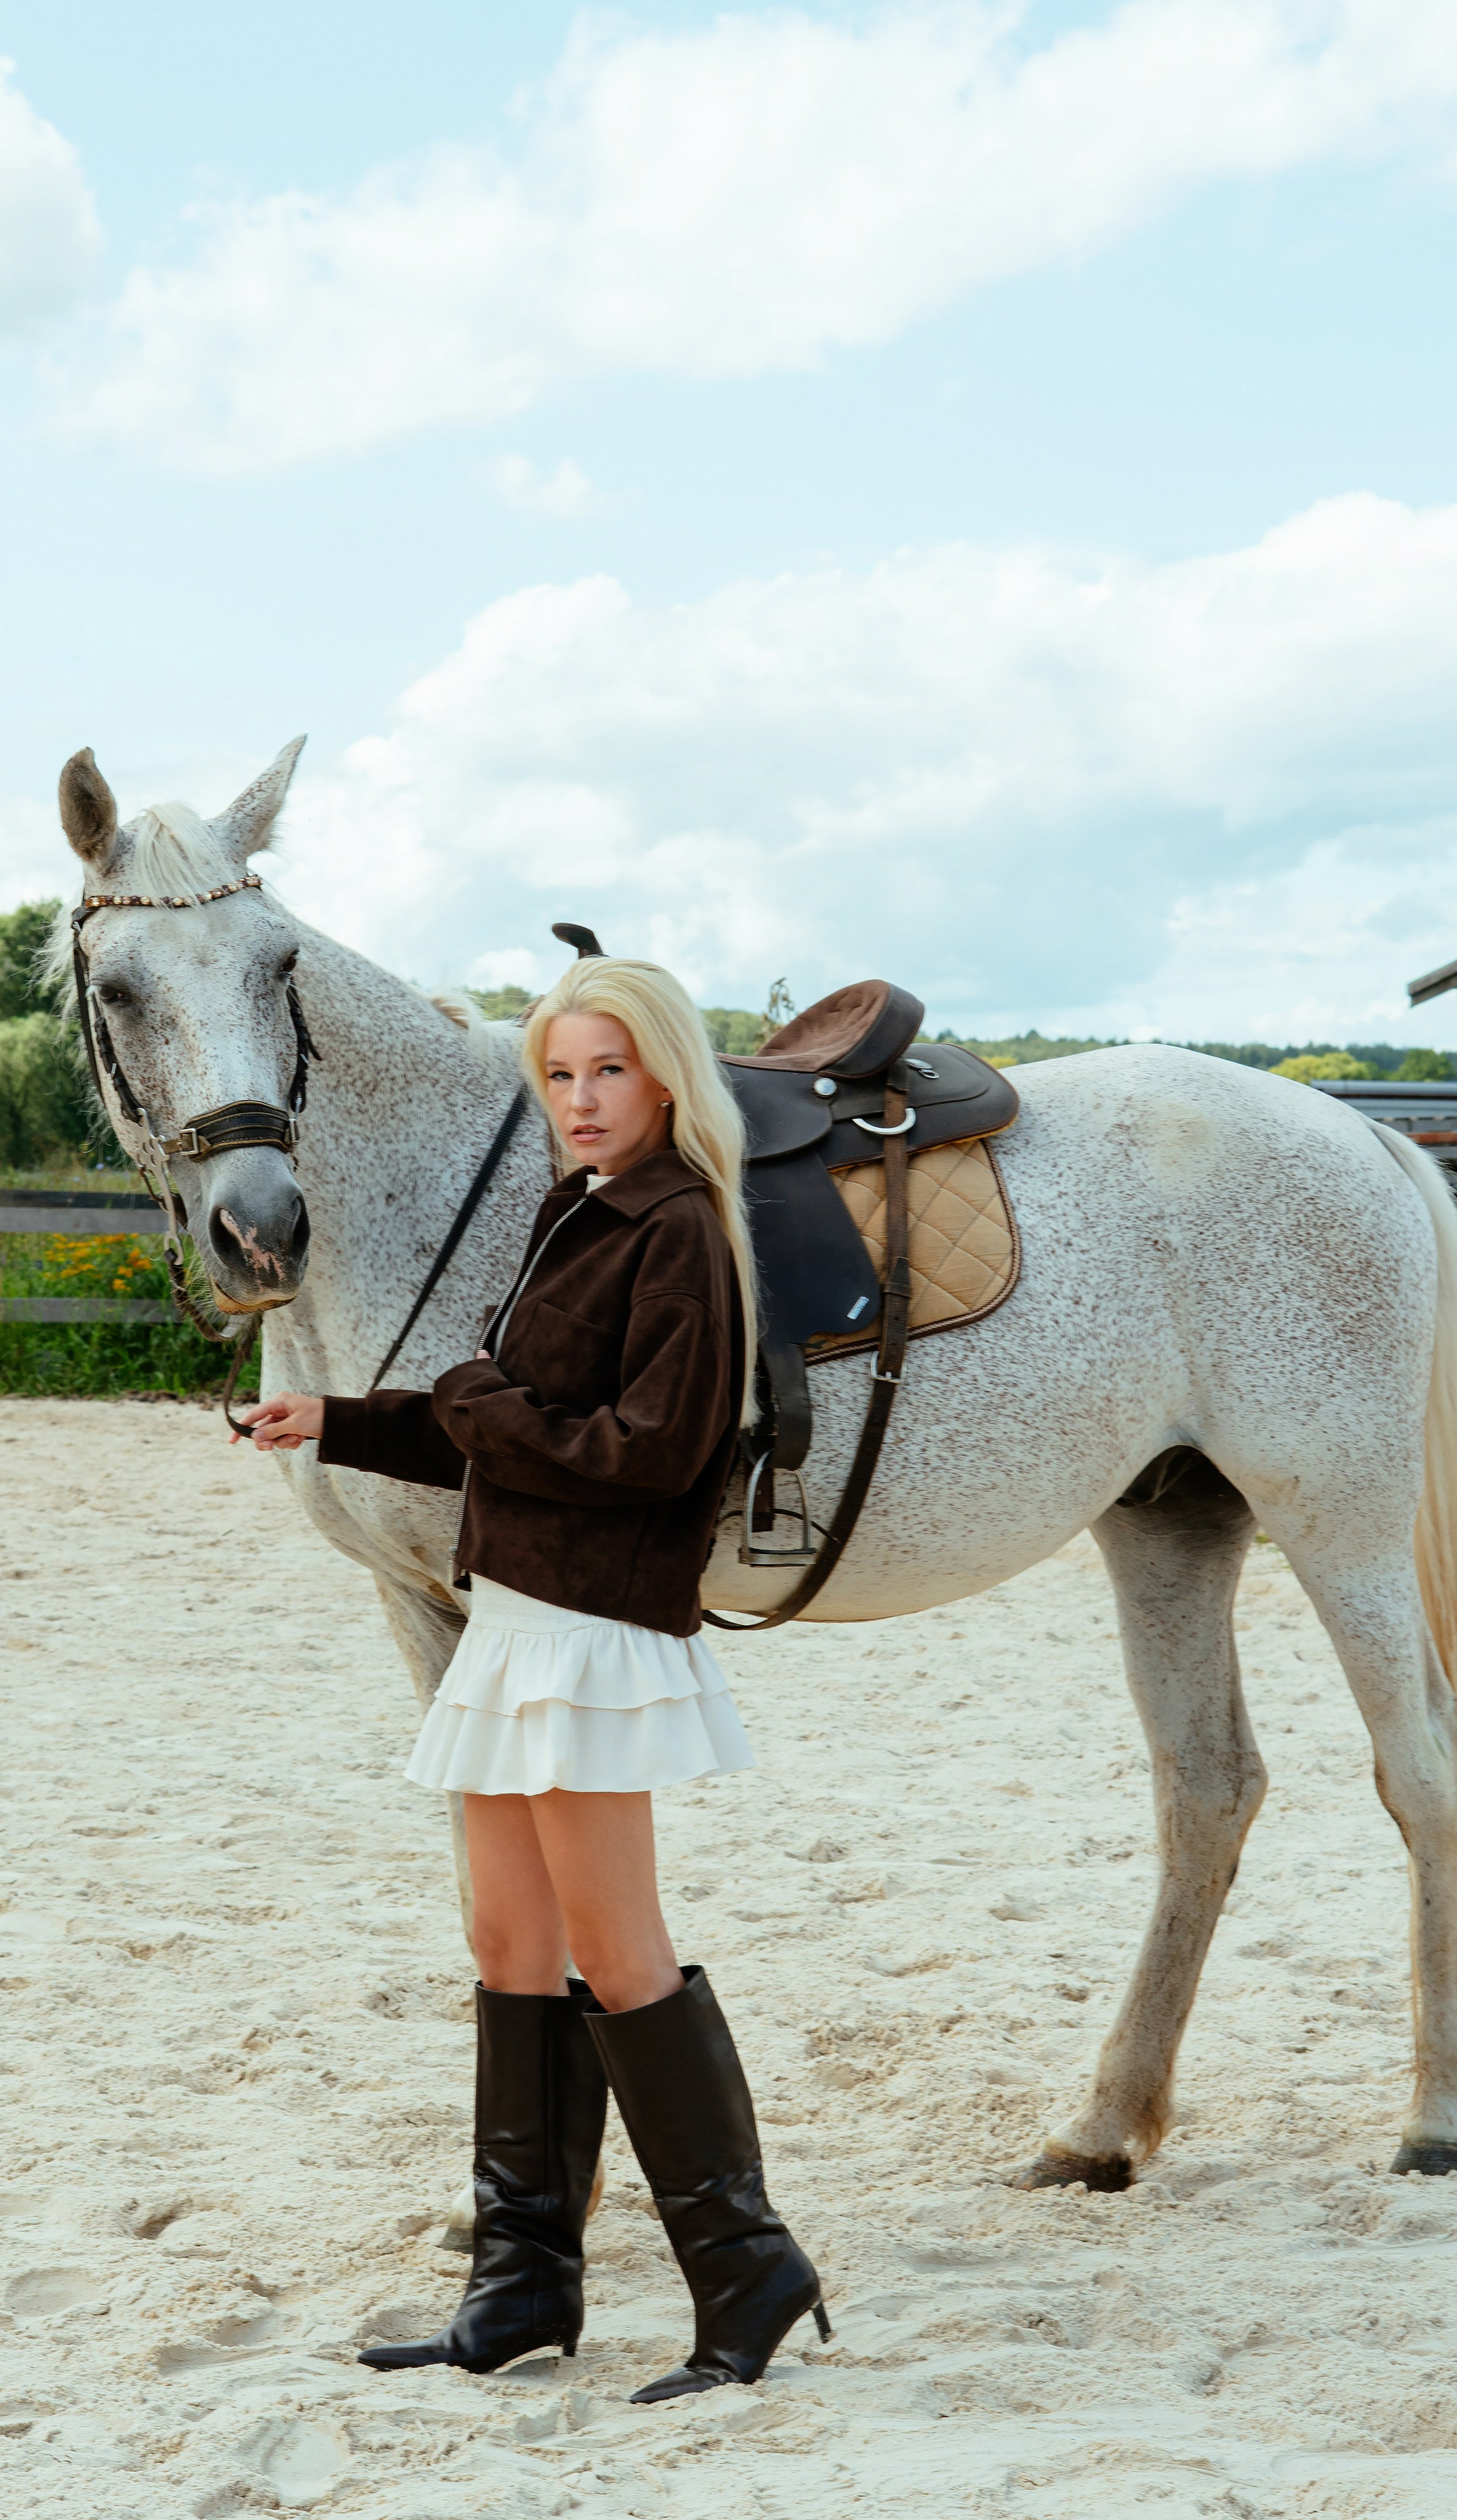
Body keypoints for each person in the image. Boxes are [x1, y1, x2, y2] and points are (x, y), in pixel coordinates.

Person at [238, 955, 829, 2404]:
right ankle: (520, 2283)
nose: (578, 1100)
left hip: (590, 1628)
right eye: (557, 1075)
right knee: (509, 1943)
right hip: (517, 1611)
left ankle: (746, 2264)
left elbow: (647, 1450)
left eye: (607, 1072)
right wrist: (345, 1417)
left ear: (666, 1078)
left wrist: (469, 1396)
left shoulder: (681, 1229)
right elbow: (500, 1426)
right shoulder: (576, 1212)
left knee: (616, 1949)